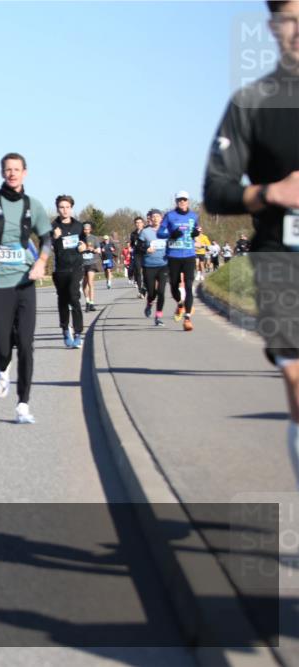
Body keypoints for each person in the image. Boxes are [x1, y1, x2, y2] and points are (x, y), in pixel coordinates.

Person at [203, 0, 299, 483]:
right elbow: (216, 190)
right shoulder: (253, 102)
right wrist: (272, 192)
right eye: (291, 20)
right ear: (274, 27)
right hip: (284, 262)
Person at [0, 152, 52, 424]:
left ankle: (23, 405)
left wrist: (41, 261)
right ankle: (2, 367)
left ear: (25, 172)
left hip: (25, 280)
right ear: (2, 172)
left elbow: (46, 237)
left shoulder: (34, 205)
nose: (13, 173)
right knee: (3, 343)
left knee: (26, 344)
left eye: (17, 169)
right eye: (8, 169)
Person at [157, 191, 202, 331]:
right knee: (174, 286)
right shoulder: (170, 216)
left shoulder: (193, 216)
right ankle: (180, 304)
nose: (182, 202)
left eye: (184, 200)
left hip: (189, 255)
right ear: (176, 202)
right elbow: (159, 233)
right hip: (173, 256)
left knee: (188, 286)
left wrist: (196, 233)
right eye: (179, 200)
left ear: (188, 201)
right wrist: (171, 234)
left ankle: (187, 318)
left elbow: (197, 230)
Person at [49, 195, 86, 348]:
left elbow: (84, 241)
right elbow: (47, 245)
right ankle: (65, 329)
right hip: (60, 269)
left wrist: (83, 246)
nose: (64, 210)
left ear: (71, 208)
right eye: (61, 207)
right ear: (57, 209)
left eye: (67, 207)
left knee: (74, 297)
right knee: (63, 300)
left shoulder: (78, 226)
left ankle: (78, 333)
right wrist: (54, 237)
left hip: (76, 267)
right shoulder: (52, 226)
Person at [140, 209, 169, 326]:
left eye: (158, 216)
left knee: (161, 292)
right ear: (150, 219)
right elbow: (138, 247)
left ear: (161, 218)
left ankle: (158, 316)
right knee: (152, 293)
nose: (156, 218)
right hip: (149, 265)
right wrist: (146, 249)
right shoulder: (145, 232)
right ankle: (149, 303)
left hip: (163, 265)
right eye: (153, 216)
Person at [80, 222, 102, 311]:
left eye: (88, 229)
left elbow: (99, 250)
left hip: (91, 262)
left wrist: (93, 249)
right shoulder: (79, 238)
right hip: (82, 263)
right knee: (84, 284)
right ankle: (87, 301)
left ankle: (92, 303)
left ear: (90, 229)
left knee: (90, 281)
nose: (86, 231)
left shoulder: (94, 238)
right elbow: (76, 250)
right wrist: (81, 249)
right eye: (85, 229)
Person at [129, 217, 147, 297]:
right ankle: (140, 290)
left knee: (146, 272)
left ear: (143, 223)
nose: (138, 224)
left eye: (140, 222)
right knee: (138, 272)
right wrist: (131, 247)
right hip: (137, 254)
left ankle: (145, 288)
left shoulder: (147, 232)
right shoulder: (133, 234)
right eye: (137, 223)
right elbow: (132, 244)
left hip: (146, 253)